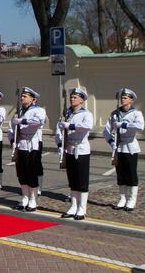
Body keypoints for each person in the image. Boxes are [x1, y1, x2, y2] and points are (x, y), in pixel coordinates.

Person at [104, 88, 145, 212]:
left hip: (131, 146)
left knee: (131, 174)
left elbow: (140, 126)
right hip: (119, 147)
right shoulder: (115, 114)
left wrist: (123, 124)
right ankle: (122, 199)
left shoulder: (136, 113)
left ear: (131, 100)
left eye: (125, 98)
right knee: (120, 174)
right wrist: (112, 143)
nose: (123, 99)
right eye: (122, 97)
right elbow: (106, 131)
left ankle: (131, 200)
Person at [56, 87, 93, 220]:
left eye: (75, 97)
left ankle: (82, 208)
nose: (72, 99)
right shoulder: (67, 114)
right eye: (71, 97)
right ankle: (73, 206)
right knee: (72, 180)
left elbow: (87, 127)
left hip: (81, 149)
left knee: (81, 180)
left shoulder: (86, 114)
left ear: (82, 100)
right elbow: (58, 130)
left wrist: (69, 126)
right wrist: (60, 144)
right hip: (69, 149)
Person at [10, 87, 46, 212]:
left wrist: (21, 120)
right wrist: (12, 140)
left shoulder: (38, 110)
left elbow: (37, 122)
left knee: (32, 173)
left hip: (32, 144)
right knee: (21, 173)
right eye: (22, 96)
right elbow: (12, 127)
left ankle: (33, 199)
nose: (22, 98)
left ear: (32, 99)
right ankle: (25, 197)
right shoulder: (19, 111)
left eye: (25, 96)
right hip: (21, 144)